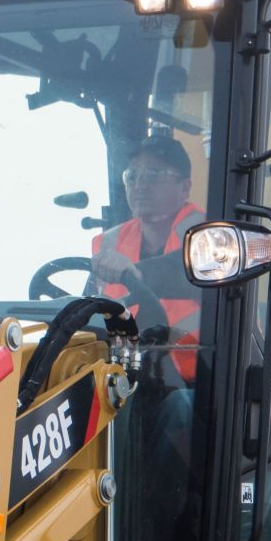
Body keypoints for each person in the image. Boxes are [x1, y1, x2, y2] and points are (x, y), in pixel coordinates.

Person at [89, 132, 202, 378]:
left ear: (184, 188)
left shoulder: (212, 238)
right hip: (127, 377)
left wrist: (137, 273)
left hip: (199, 380)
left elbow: (184, 270)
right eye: (132, 176)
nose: (139, 185)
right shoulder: (109, 243)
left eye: (153, 175)